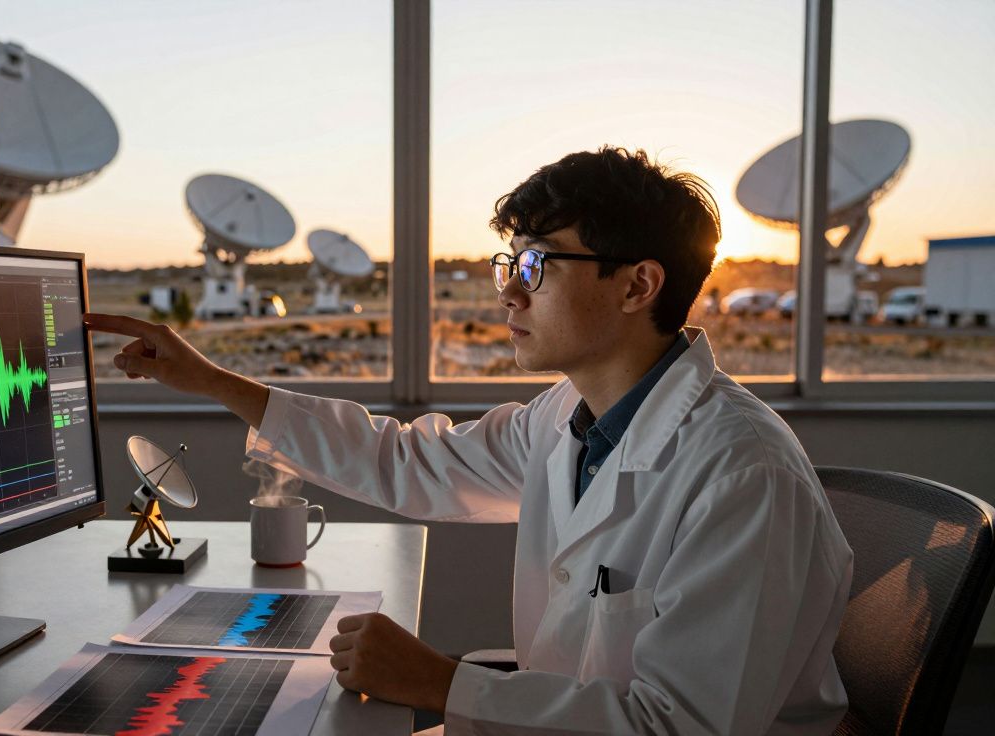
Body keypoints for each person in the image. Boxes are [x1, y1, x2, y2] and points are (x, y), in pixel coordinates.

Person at [83, 146, 853, 735]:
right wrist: (216, 381)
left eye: (536, 265)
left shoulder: (740, 472)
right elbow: (409, 461)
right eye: (506, 263)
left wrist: (442, 684)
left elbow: (679, 726)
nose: (508, 290)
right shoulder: (566, 419)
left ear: (637, 285)